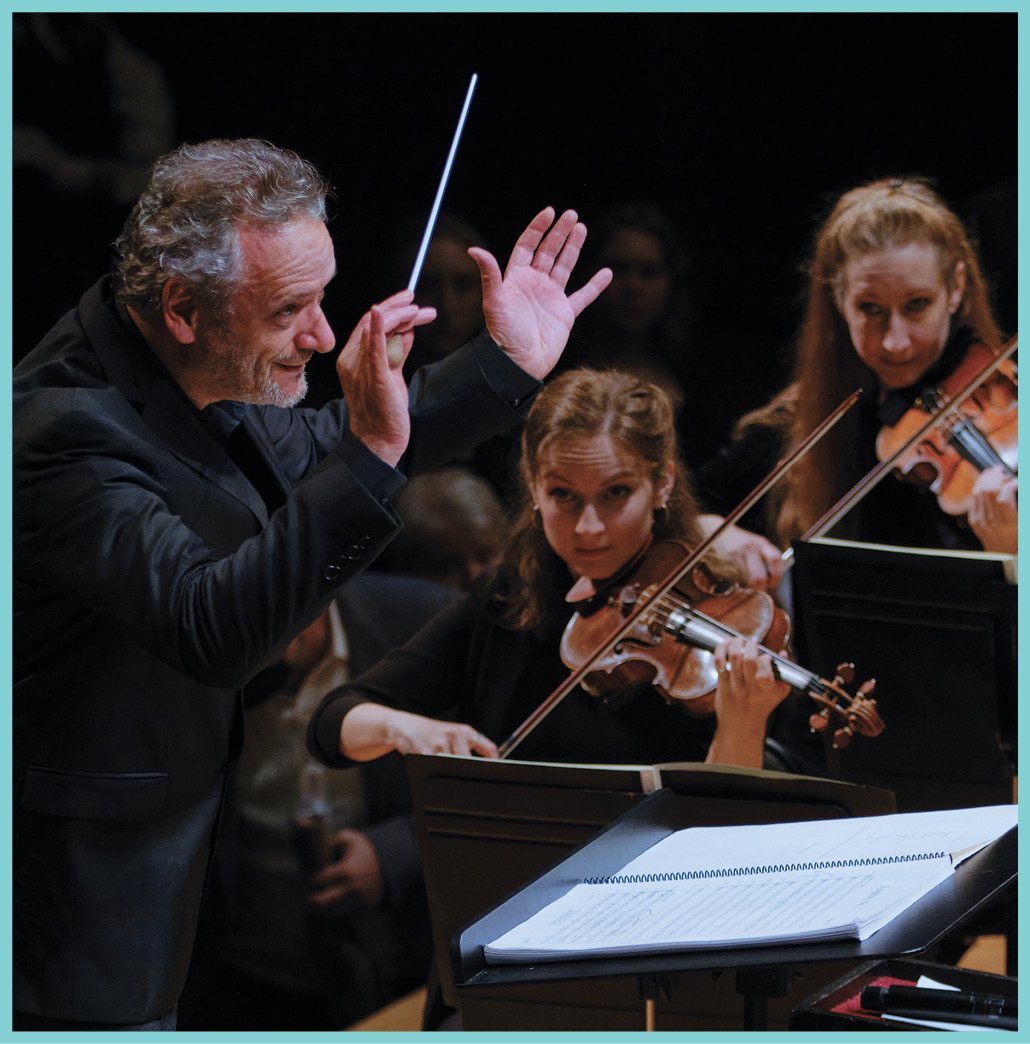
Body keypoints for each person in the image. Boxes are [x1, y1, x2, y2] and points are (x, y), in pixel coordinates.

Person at [12, 137, 612, 1030]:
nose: (325, 335)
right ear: (181, 305)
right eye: (292, 308)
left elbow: (326, 447)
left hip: (178, 858)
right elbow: (209, 628)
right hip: (71, 896)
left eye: (323, 297)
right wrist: (370, 452)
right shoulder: (65, 434)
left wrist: (505, 364)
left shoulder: (190, 356)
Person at [309, 367, 792, 784]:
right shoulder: (508, 595)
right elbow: (333, 723)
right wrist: (407, 729)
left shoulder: (710, 619)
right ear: (534, 484)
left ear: (661, 484)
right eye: (563, 495)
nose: (589, 527)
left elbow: (723, 825)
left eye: (615, 493)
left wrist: (743, 723)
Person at [695, 176, 1018, 592]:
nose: (895, 341)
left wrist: (1011, 554)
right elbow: (685, 502)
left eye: (917, 305)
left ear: (955, 288)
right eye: (870, 309)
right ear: (838, 297)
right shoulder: (808, 417)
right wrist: (716, 534)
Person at [179, 572, 459, 1030]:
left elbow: (496, 772)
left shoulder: (421, 617)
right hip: (238, 975)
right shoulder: (195, 654)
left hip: (401, 967)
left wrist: (395, 853)